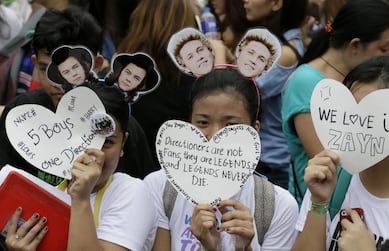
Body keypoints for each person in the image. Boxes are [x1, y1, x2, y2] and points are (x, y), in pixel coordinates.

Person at [144, 68, 298, 251]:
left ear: (254, 130)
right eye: (203, 122)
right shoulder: (160, 188)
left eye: (231, 125)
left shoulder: (276, 206)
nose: (215, 135)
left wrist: (242, 248)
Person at [0, 7, 155, 186]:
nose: (58, 83)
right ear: (35, 64)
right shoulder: (20, 115)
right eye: (46, 70)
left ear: (96, 65)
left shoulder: (119, 126)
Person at [4, 83, 158, 251]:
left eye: (107, 142)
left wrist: (81, 198)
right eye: (84, 140)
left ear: (123, 145)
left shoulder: (132, 192)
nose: (94, 155)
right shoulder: (49, 192)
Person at [281, 0, 389, 206]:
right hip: (319, 208)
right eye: (384, 48)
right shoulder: (306, 83)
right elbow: (327, 162)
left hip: (360, 206)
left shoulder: (363, 80)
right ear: (355, 45)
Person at [291, 56, 389, 251]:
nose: (355, 125)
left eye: (370, 117)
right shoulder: (332, 178)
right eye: (349, 115)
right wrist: (318, 203)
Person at [117, 0, 198, 168]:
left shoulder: (120, 76)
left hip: (123, 174)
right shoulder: (194, 84)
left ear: (139, 22)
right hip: (172, 176)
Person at [242, 0, 308, 189]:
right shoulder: (279, 45)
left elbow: (240, 92)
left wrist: (220, 56)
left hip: (273, 164)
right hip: (269, 159)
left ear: (277, 4)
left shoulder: (284, 52)